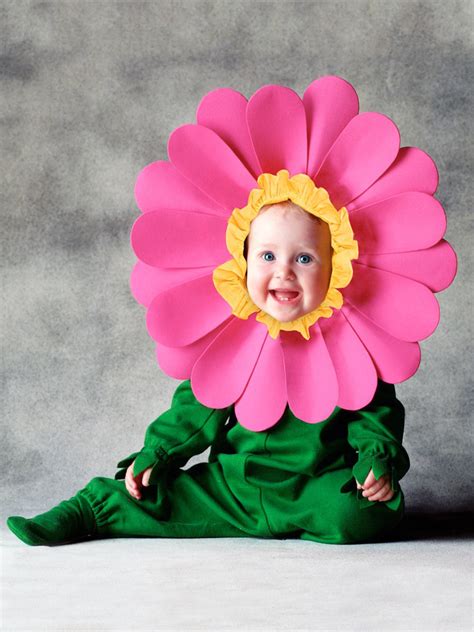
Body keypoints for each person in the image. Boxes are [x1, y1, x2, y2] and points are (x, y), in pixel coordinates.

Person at [6, 201, 409, 546]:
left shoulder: (353, 343)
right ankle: (93, 508)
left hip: (314, 486)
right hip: (232, 487)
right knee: (156, 494)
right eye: (268, 257)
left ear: (334, 268)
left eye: (304, 258)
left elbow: (375, 413)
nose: (284, 272)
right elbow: (197, 408)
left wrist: (376, 465)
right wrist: (158, 454)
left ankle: (339, 508)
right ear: (244, 262)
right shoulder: (232, 339)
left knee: (357, 513)